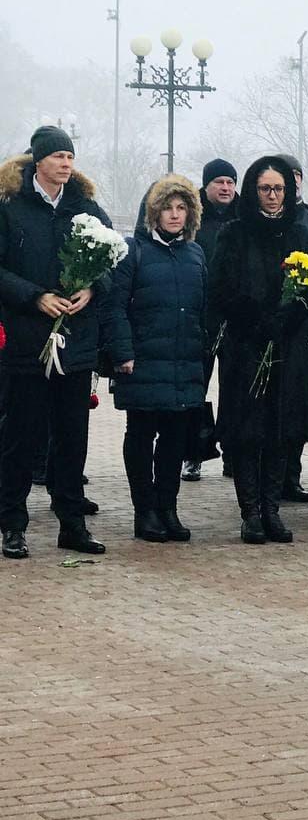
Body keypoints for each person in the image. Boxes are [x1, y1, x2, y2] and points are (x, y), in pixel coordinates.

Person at [0, 126, 112, 559]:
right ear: (37, 161)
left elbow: (112, 261)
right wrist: (35, 297)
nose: (66, 164)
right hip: (27, 342)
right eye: (58, 156)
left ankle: (72, 524)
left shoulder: (85, 208)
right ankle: (12, 523)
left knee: (72, 437)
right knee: (20, 438)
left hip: (75, 342)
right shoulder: (10, 208)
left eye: (70, 156)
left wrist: (93, 289)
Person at [209, 156, 308, 545]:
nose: (273, 196)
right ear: (253, 191)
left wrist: (289, 317)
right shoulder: (234, 232)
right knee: (248, 430)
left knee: (280, 430)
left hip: (287, 347)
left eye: (280, 189)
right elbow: (221, 288)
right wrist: (256, 319)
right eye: (265, 188)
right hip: (246, 346)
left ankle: (272, 509)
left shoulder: (298, 233)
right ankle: (250, 512)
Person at [103, 175, 207, 543]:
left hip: (184, 361)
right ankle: (144, 511)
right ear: (154, 212)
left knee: (175, 440)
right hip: (144, 362)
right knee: (142, 435)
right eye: (168, 208)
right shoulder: (135, 251)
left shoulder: (195, 253)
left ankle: (168, 508)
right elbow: (115, 307)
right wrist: (123, 353)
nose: (175, 215)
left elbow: (202, 309)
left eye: (182, 208)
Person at [181, 158, 239, 483]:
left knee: (234, 388)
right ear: (206, 186)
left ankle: (233, 453)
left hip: (234, 319)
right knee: (196, 387)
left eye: (231, 182)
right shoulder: (192, 217)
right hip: (200, 317)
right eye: (220, 182)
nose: (226, 188)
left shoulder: (245, 217)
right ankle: (193, 454)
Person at [276, 153, 308, 504]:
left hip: (301, 328)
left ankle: (291, 475)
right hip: (264, 329)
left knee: (296, 405)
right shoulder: (251, 220)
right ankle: (267, 477)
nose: (290, 182)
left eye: (295, 176)